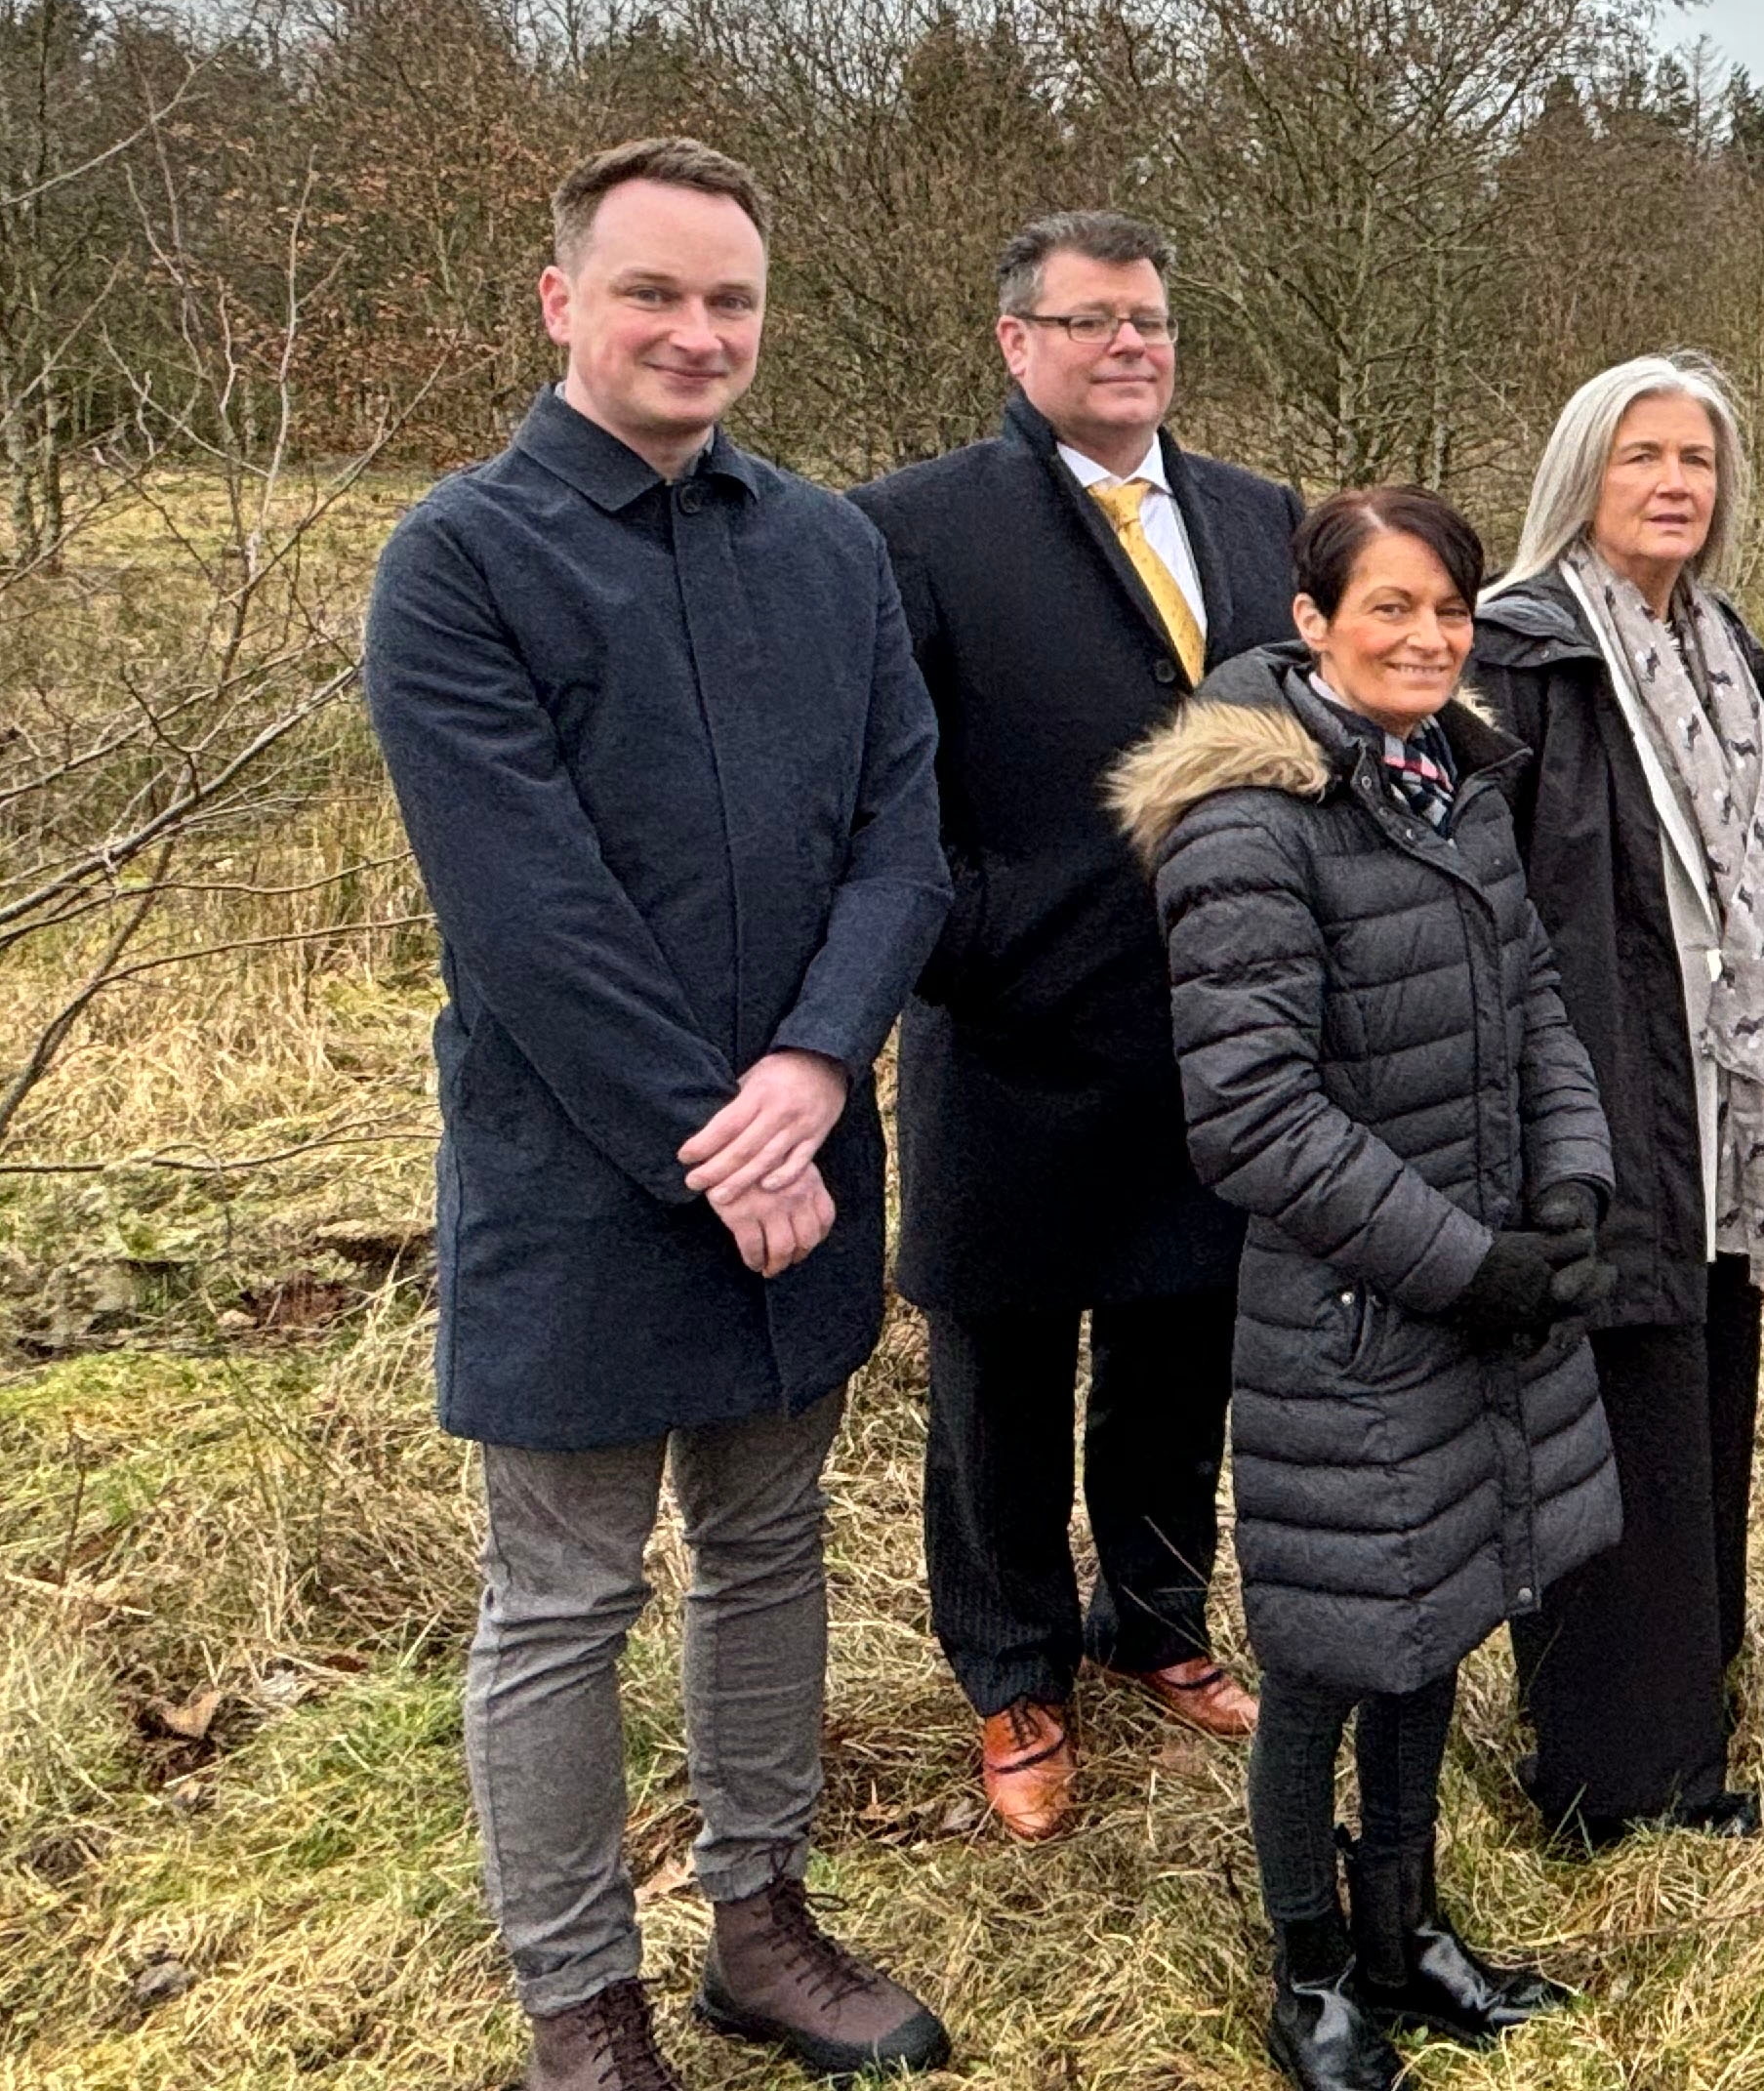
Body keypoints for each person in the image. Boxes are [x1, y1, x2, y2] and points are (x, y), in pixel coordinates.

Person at [361, 138, 956, 2091]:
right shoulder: (462, 560)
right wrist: (719, 1143)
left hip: (800, 1144)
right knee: (565, 1596)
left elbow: (901, 841)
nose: (698, 333)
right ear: (560, 304)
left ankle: (760, 1924)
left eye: (731, 303)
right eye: (654, 294)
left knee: (773, 1550)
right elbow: (528, 913)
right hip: (585, 1179)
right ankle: (579, 2010)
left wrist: (810, 1073)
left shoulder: (829, 548)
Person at [1113, 485, 1618, 2090]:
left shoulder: (1451, 781)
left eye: (1449, 611)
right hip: (1354, 1312)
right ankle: (1312, 1970)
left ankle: (1406, 1932)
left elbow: (1531, 994)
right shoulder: (1248, 821)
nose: (1426, 638)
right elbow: (1253, 1118)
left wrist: (1569, 1191)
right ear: (1311, 622)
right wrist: (1466, 1267)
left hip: (1486, 1283)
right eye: (1387, 608)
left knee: (1444, 1608)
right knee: (1332, 1654)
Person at [850, 210, 1303, 1838]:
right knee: (1004, 1371)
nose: (1131, 345)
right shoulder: (915, 527)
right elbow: (880, 788)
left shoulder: (1260, 518)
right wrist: (977, 947)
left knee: (1186, 1346)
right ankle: (1013, 1675)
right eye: (1095, 320)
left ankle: (1158, 1628)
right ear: (1016, 342)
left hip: (1223, 1027)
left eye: (1152, 320)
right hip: (1017, 1030)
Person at [1472, 355, 1764, 1845]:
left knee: (1697, 1405)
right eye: (1644, 457)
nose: (1676, 483)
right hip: (1600, 1097)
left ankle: (1691, 1716)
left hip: (1718, 1103)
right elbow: (1493, 894)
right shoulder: (1527, 652)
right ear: (1585, 474)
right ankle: (1609, 1776)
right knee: (1607, 1420)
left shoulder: (1719, 639)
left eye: (1698, 460)